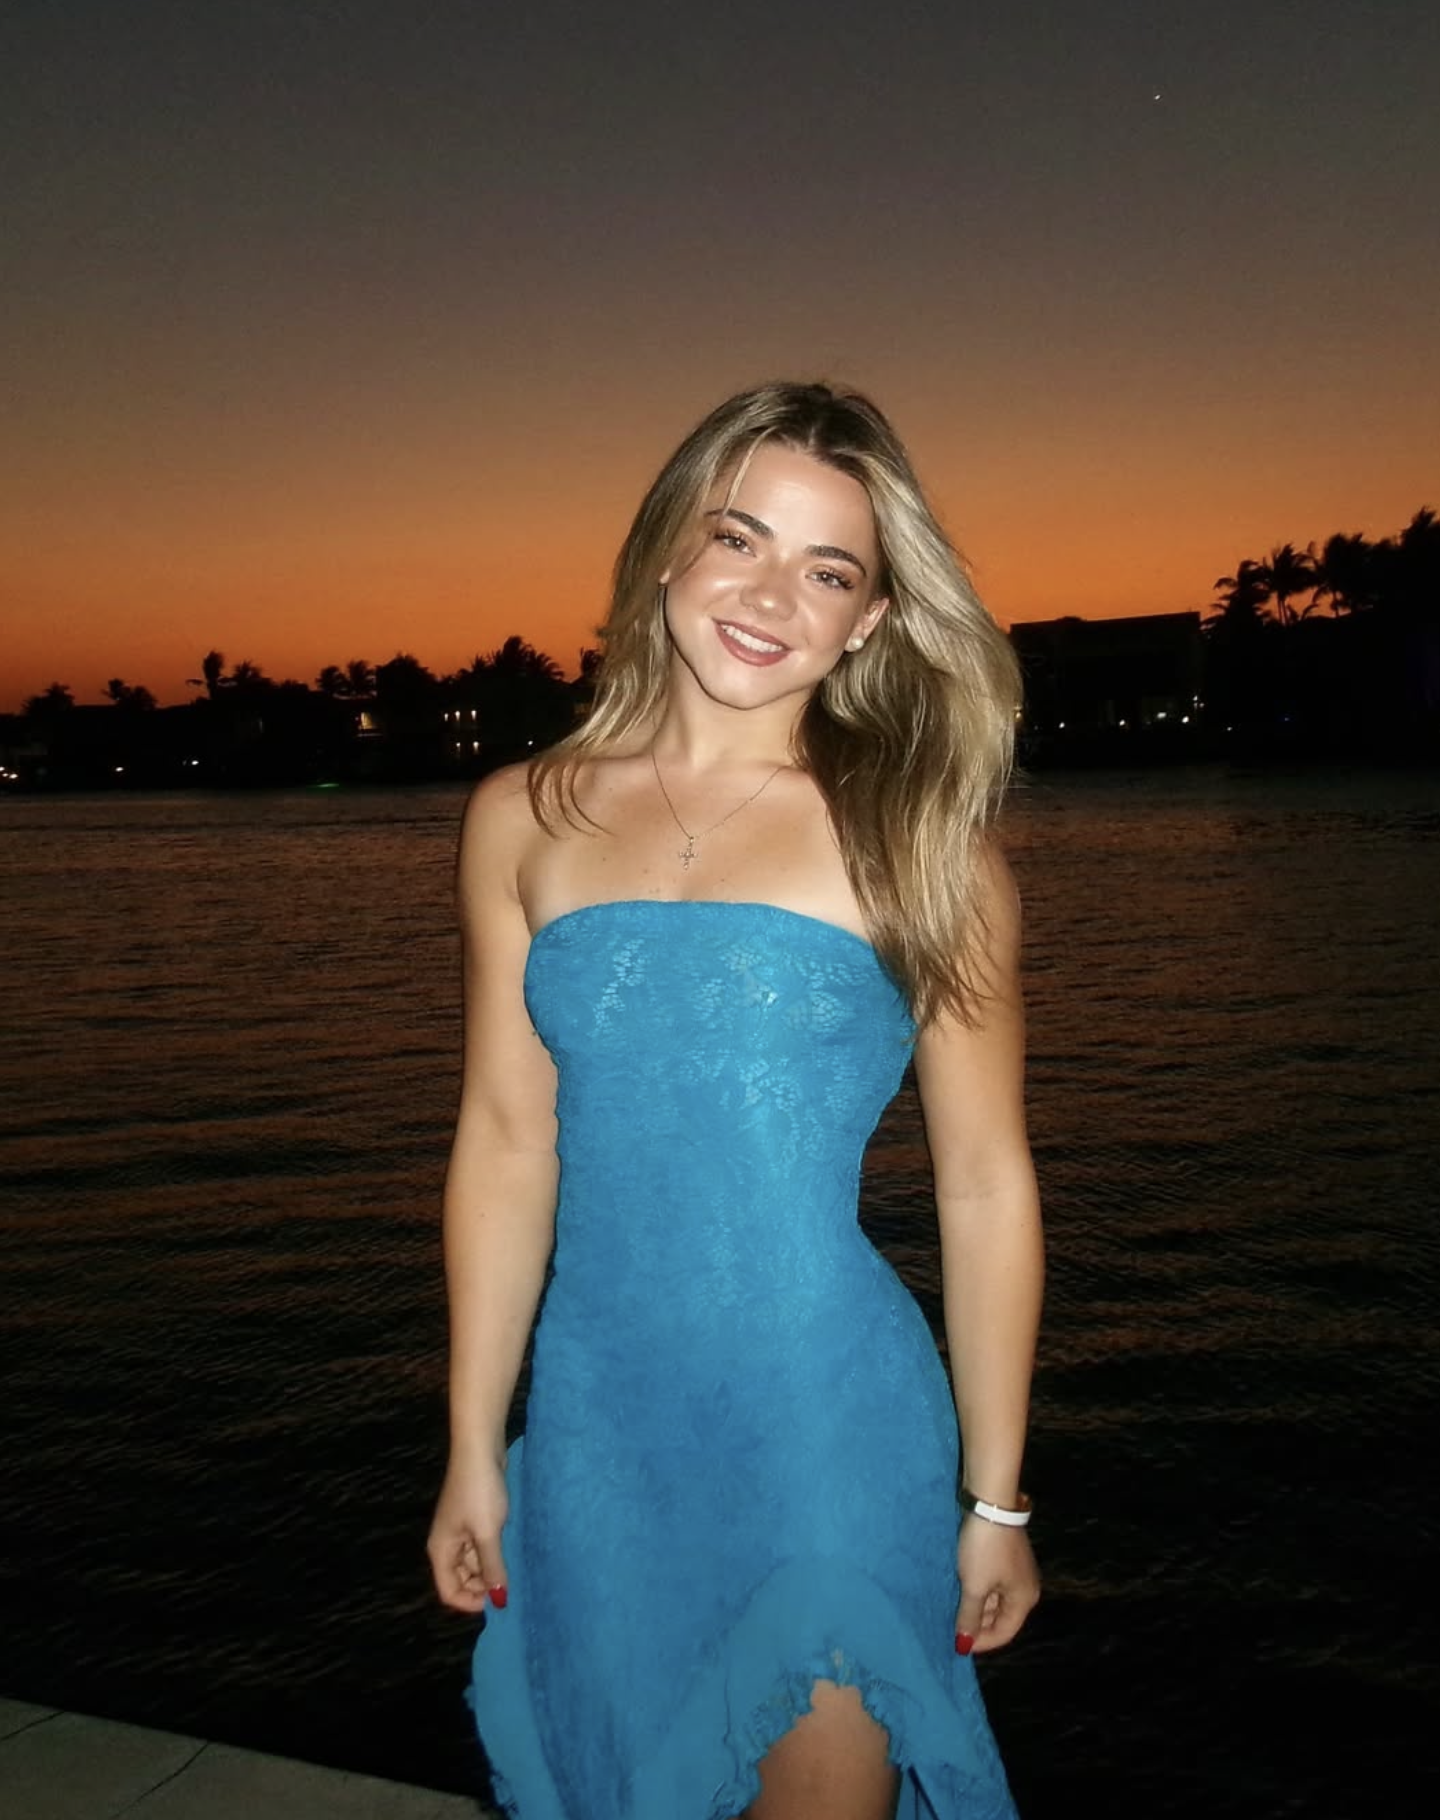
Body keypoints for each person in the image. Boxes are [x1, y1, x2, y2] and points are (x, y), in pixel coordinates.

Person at [427, 380, 1043, 1820]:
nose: (770, 596)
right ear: (667, 550)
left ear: (870, 620)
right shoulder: (522, 816)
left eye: (828, 570)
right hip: (598, 1432)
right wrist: (470, 1444)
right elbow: (507, 1142)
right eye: (738, 538)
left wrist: (996, 1498)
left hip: (830, 1427)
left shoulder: (923, 847)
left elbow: (983, 1183)